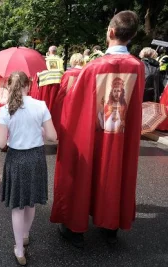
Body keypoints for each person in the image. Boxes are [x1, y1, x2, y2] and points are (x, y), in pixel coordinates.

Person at [50, 11, 145, 247]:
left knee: (85, 172)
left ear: (110, 32)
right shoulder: (138, 67)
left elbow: (75, 104)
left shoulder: (94, 67)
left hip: (96, 134)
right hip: (121, 135)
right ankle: (110, 225)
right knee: (117, 171)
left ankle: (75, 227)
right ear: (131, 36)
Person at [0, 71, 57, 266]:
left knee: (17, 205)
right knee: (30, 201)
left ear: (9, 87)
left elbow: (0, 143)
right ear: (28, 85)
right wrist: (40, 130)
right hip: (36, 158)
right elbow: (52, 136)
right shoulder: (40, 105)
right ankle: (25, 235)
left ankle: (19, 248)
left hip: (16, 158)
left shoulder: (5, 109)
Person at [51, 53, 84, 137]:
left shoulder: (69, 73)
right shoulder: (85, 71)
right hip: (82, 102)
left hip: (69, 102)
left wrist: (57, 104)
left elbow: (63, 90)